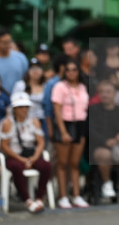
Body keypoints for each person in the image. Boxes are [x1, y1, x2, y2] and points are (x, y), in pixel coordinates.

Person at [0, 92, 52, 213]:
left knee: (46, 166)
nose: (24, 110)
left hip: (31, 154)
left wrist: (34, 157)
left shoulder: (34, 121)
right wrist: (21, 159)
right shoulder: (7, 123)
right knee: (17, 167)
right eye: (20, 107)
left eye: (26, 107)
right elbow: (4, 146)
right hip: (14, 155)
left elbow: (41, 142)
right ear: (14, 108)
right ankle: (27, 200)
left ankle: (39, 198)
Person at [51, 60, 89, 209]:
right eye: (68, 70)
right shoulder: (59, 87)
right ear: (64, 72)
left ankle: (76, 195)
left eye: (74, 69)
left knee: (75, 163)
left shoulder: (82, 87)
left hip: (80, 124)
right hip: (65, 124)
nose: (71, 72)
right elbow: (57, 111)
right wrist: (63, 131)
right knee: (63, 163)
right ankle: (63, 196)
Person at [12, 59, 47, 141]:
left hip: (42, 120)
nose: (35, 71)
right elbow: (13, 104)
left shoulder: (46, 86)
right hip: (24, 120)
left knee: (43, 143)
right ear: (28, 71)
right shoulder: (20, 85)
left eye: (38, 68)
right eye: (32, 68)